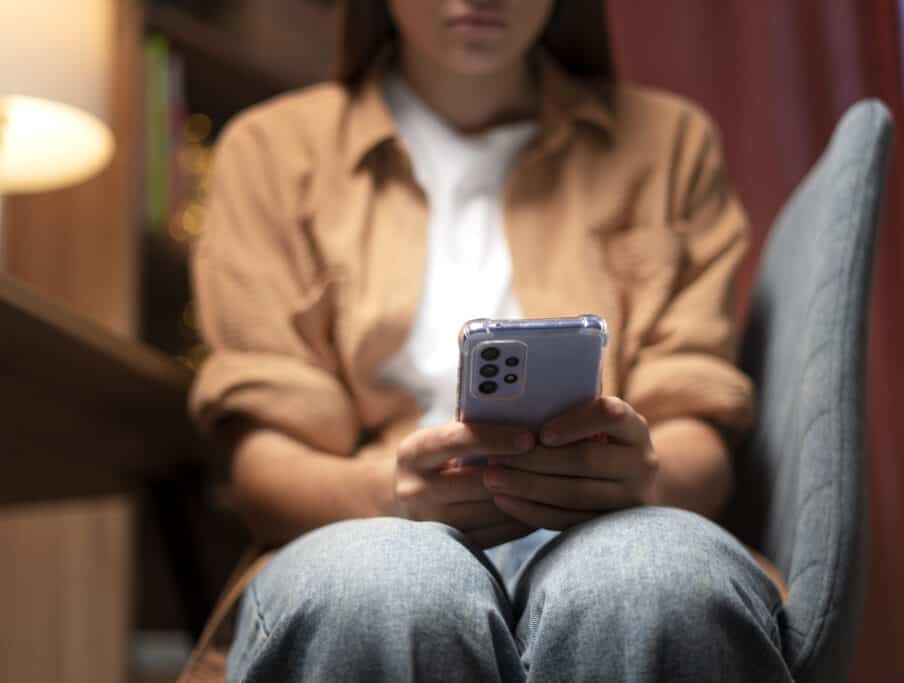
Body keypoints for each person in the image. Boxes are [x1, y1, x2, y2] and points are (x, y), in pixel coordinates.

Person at [184, 1, 790, 681]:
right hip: (367, 522)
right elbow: (264, 466)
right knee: (388, 588)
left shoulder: (670, 142)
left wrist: (640, 475)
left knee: (656, 578)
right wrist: (391, 493)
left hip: (613, 521)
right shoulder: (269, 151)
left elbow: (699, 430)